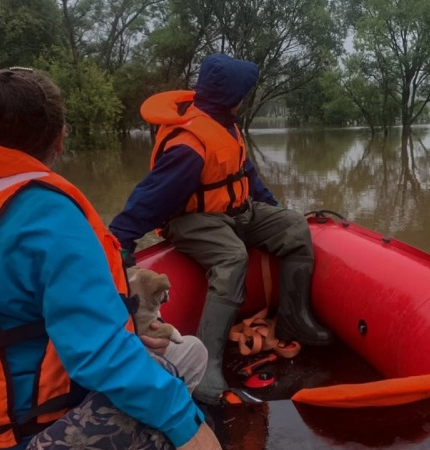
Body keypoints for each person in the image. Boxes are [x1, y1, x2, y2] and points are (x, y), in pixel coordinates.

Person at [0, 68, 221, 450]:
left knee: (174, 353)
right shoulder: (48, 216)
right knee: (178, 371)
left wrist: (131, 337)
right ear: (59, 138)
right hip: (26, 435)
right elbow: (100, 355)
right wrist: (189, 428)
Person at [109, 53, 333, 405]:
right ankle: (208, 363)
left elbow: (246, 177)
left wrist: (271, 208)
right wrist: (121, 238)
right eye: (243, 91)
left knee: (291, 225)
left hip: (236, 212)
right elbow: (151, 196)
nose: (245, 97)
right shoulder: (190, 144)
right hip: (192, 221)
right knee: (232, 257)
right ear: (231, 96)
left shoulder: (226, 124)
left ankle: (294, 320)